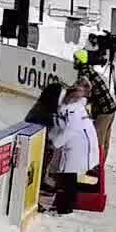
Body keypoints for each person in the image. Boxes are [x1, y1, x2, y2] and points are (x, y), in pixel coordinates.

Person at [48, 82, 101, 215]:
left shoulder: (73, 109)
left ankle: (64, 207)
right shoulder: (76, 107)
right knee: (68, 175)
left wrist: (55, 143)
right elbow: (62, 126)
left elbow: (70, 129)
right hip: (81, 146)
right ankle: (65, 204)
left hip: (79, 147)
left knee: (67, 175)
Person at [75, 49, 116, 165]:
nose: (74, 62)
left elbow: (82, 97)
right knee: (105, 140)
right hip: (111, 108)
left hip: (104, 111)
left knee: (98, 141)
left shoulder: (84, 75)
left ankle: (96, 168)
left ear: (79, 61)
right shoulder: (90, 70)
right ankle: (100, 166)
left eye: (75, 59)